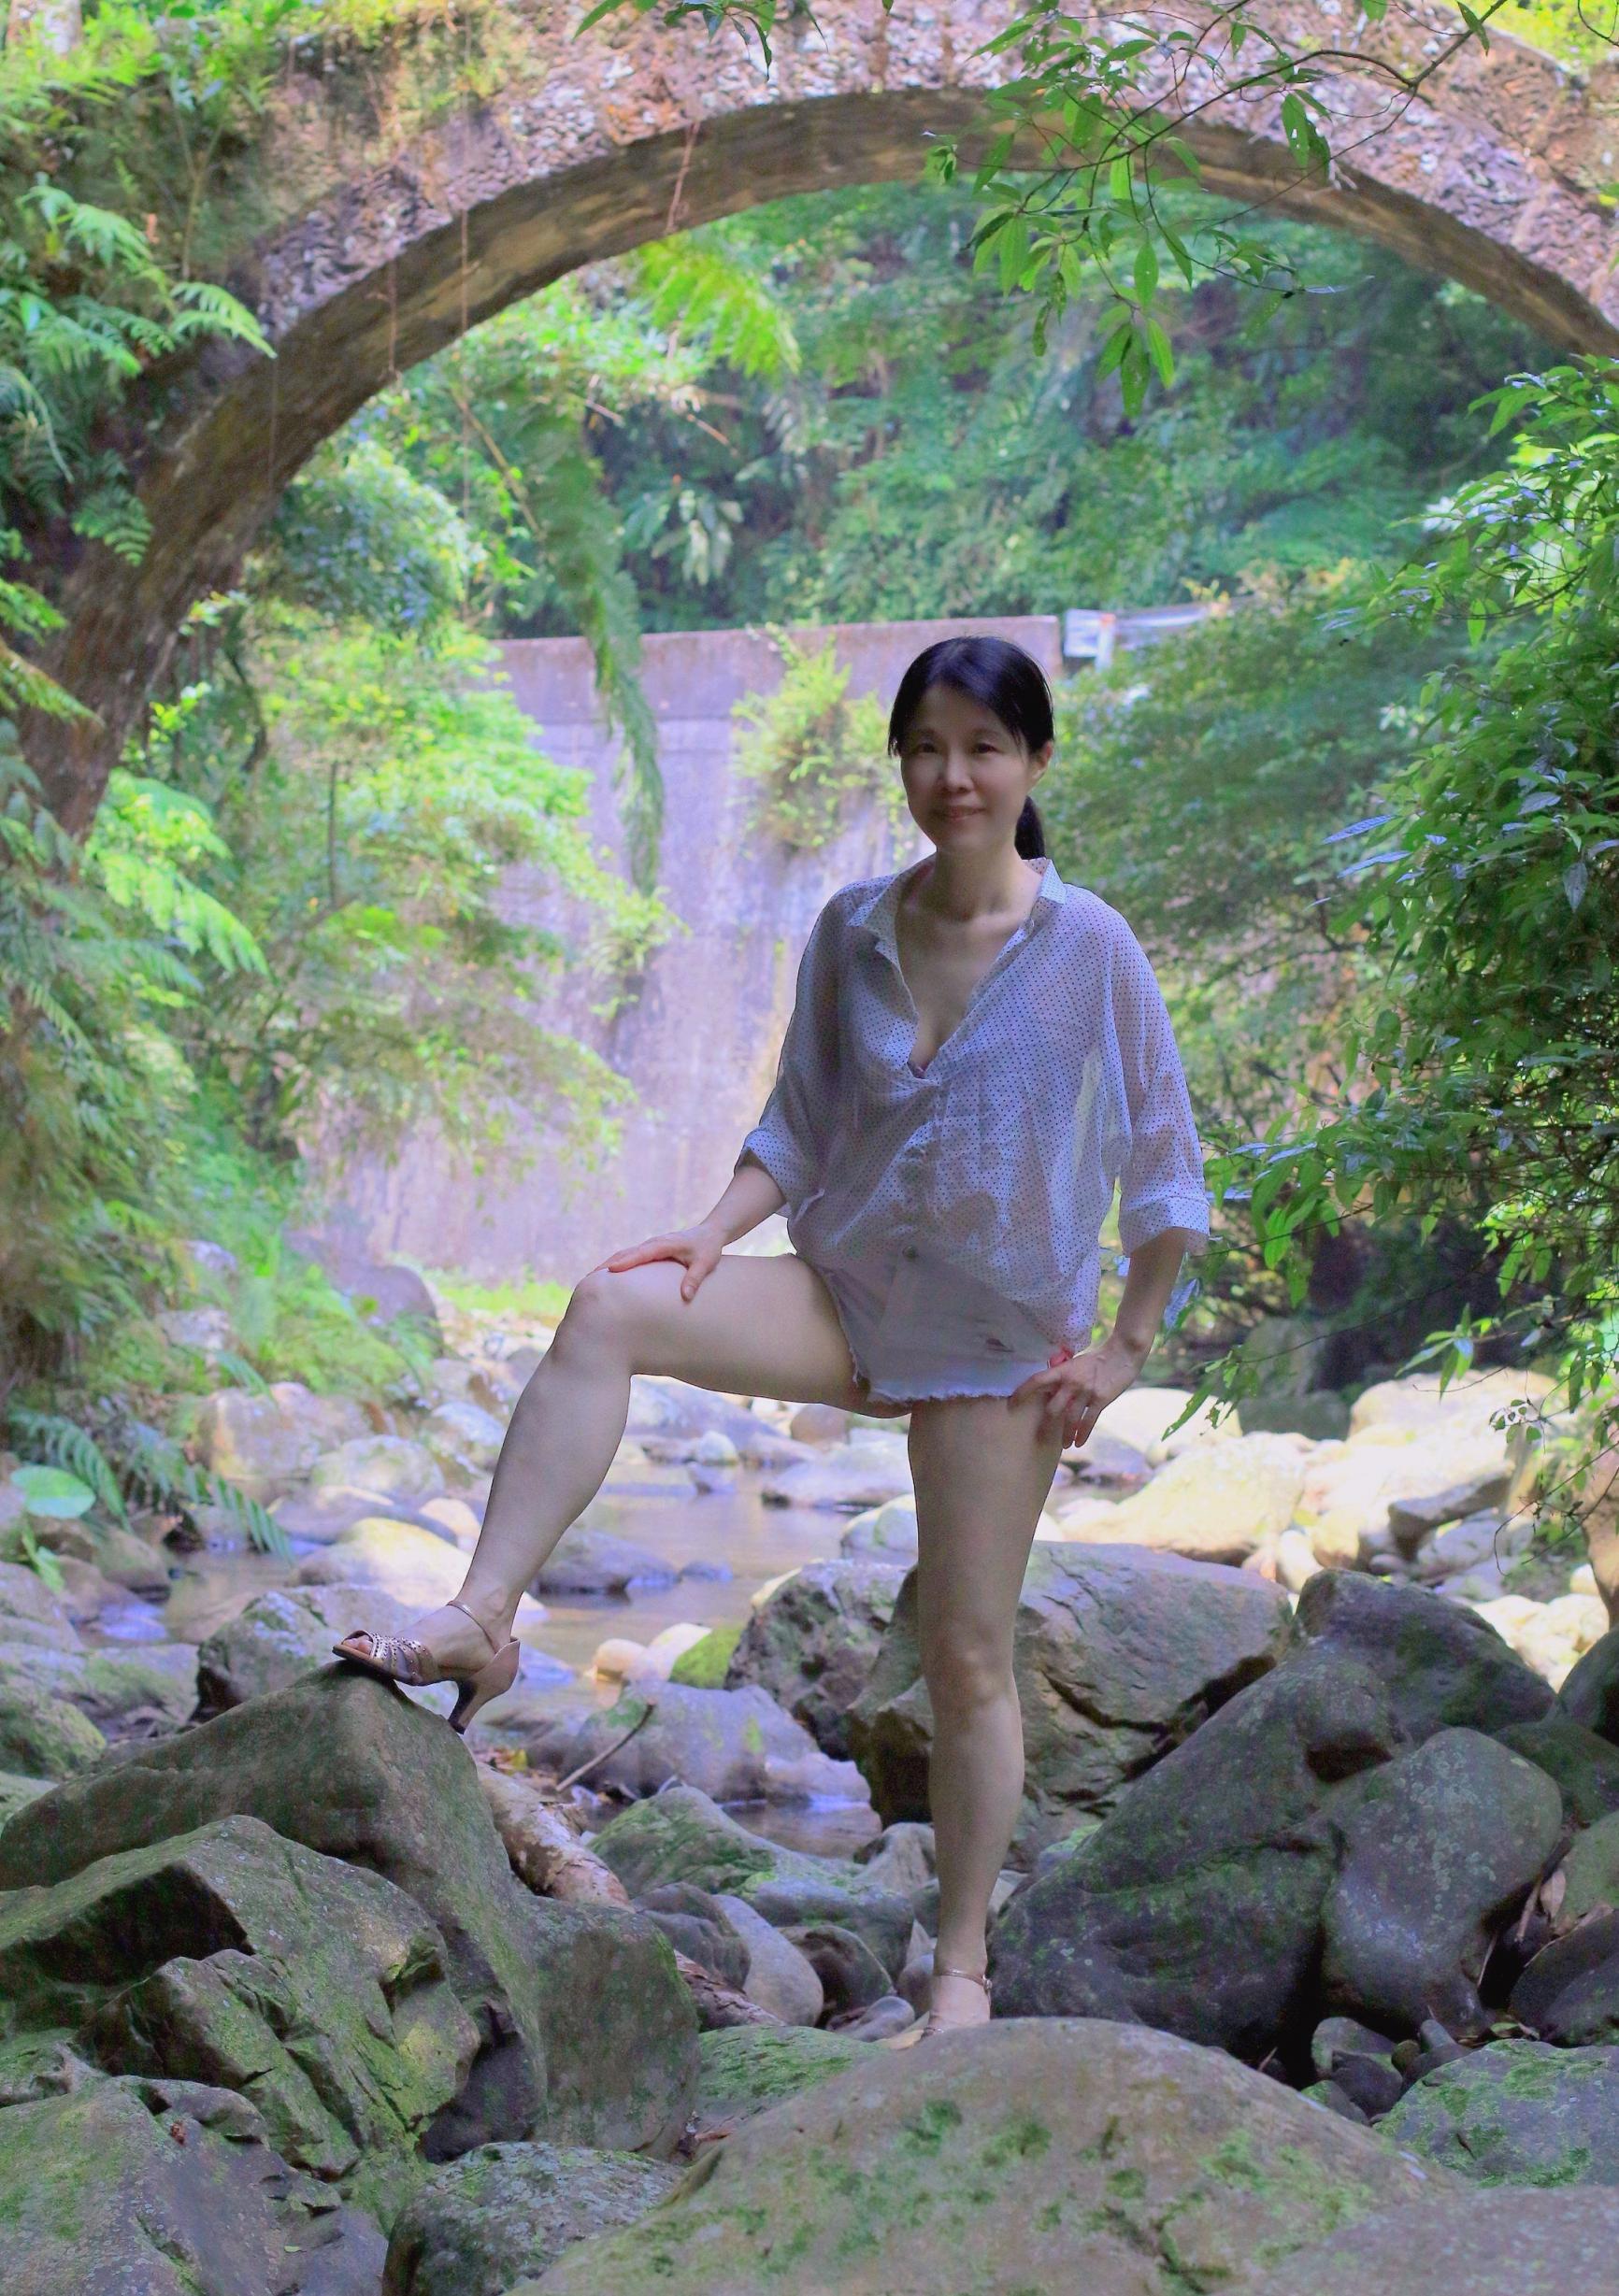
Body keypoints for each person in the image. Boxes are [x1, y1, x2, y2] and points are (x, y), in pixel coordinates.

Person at [335, 633, 1210, 2042]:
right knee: (610, 1305)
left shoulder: (1089, 948)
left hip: (997, 1351)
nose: (953, 776)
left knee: (968, 1658)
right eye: (926, 748)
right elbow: (798, 1126)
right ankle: (482, 1621)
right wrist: (709, 1230)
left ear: (1036, 762)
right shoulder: (853, 927)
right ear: (901, 764)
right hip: (845, 1297)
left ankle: (961, 1973)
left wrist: (1123, 1351)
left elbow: (1168, 1165)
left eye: (984, 749)